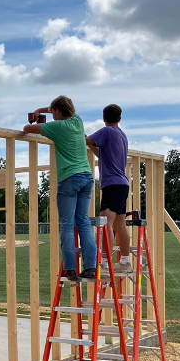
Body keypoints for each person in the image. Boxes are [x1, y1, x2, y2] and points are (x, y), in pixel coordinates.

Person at [23, 95, 97, 282]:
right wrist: (42, 110)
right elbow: (63, 110)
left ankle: (70, 269)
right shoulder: (78, 122)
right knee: (83, 221)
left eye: (53, 111)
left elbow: (27, 129)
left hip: (69, 179)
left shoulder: (56, 127)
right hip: (87, 177)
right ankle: (90, 267)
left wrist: (37, 115)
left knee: (66, 223)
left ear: (56, 111)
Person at [85, 104, 132, 275]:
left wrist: (82, 137)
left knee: (106, 224)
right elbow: (101, 154)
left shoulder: (106, 132)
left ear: (103, 118)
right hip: (122, 184)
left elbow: (84, 141)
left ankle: (105, 264)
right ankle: (125, 261)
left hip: (111, 184)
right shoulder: (122, 135)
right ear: (119, 118)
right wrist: (91, 144)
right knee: (120, 223)